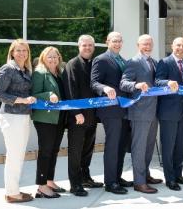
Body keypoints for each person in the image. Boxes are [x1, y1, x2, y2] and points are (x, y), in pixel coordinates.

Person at [0, 39, 36, 203]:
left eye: (24, 50)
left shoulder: (24, 70)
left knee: (18, 155)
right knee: (14, 156)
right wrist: (22, 100)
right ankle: (11, 193)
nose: (22, 53)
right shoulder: (8, 69)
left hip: (23, 117)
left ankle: (13, 189)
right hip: (11, 117)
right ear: (12, 52)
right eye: (18, 50)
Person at [120, 34, 163, 194]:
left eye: (150, 44)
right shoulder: (134, 62)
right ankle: (139, 182)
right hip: (139, 112)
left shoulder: (154, 62)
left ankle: (146, 175)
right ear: (138, 45)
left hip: (153, 112)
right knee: (139, 148)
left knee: (149, 147)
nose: (148, 46)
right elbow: (123, 83)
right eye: (144, 44)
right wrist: (136, 85)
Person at [91, 31, 131, 195]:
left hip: (124, 110)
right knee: (113, 145)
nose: (117, 44)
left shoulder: (123, 60)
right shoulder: (101, 60)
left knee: (121, 146)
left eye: (120, 41)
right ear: (107, 42)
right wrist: (105, 88)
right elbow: (94, 82)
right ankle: (110, 182)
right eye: (114, 41)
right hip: (110, 110)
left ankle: (117, 176)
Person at [63, 35, 103, 197]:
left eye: (90, 45)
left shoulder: (94, 64)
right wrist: (76, 112)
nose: (87, 48)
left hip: (92, 116)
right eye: (84, 45)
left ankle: (85, 178)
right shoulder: (72, 64)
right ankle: (75, 184)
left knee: (87, 150)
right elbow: (69, 90)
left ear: (94, 47)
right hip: (78, 117)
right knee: (75, 151)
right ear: (79, 47)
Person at [154, 37, 183, 191]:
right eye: (178, 45)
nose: (181, 48)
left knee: (180, 147)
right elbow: (157, 81)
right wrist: (167, 82)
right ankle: (170, 179)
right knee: (168, 147)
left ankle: (178, 175)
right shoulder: (164, 62)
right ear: (172, 46)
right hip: (168, 112)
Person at [31, 46, 67, 199]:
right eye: (49, 57)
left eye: (55, 56)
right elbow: (34, 95)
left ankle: (49, 180)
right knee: (46, 151)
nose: (52, 59)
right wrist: (49, 94)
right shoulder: (40, 73)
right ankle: (41, 186)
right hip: (45, 119)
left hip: (58, 118)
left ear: (59, 58)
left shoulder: (59, 73)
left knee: (54, 150)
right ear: (43, 58)